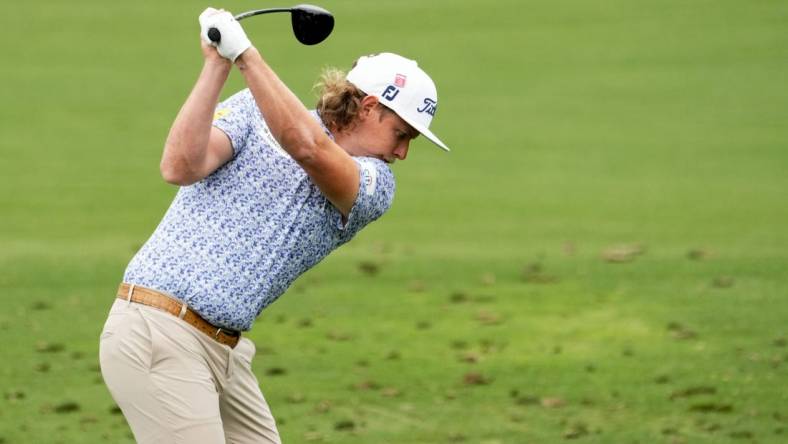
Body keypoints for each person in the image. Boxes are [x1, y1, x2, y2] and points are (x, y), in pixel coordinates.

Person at [98, 7, 449, 444]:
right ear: (370, 108)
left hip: (224, 351)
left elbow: (308, 147)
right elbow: (179, 166)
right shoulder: (249, 110)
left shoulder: (375, 185)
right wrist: (217, 65)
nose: (402, 153)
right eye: (402, 134)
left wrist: (246, 54)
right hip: (157, 329)